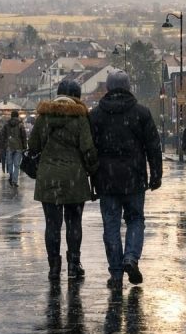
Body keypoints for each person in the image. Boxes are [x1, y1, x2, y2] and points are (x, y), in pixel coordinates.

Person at [90, 70, 162, 289]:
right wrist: (156, 174)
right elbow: (153, 146)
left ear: (108, 88)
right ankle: (131, 257)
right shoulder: (141, 113)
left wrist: (92, 180)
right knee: (135, 219)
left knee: (111, 225)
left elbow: (90, 151)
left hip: (107, 179)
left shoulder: (96, 115)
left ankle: (116, 273)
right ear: (129, 87)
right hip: (134, 177)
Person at [28, 78, 99, 281]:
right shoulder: (80, 118)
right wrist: (93, 170)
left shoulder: (44, 117)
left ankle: (54, 266)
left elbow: (33, 146)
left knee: (52, 224)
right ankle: (74, 264)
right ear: (77, 97)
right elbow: (88, 149)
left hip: (48, 178)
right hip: (74, 178)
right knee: (74, 223)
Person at [2, 109, 28, 187]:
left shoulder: (6, 124)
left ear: (11, 116)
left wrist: (4, 145)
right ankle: (15, 181)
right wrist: (25, 146)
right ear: (17, 116)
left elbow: (2, 135)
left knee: (9, 163)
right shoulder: (20, 124)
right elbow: (24, 136)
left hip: (9, 146)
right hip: (18, 146)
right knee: (17, 165)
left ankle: (11, 175)